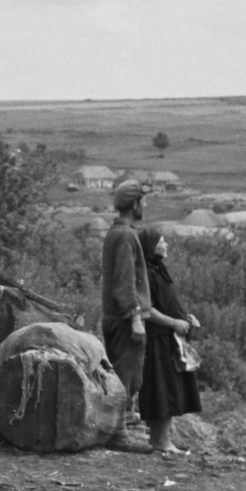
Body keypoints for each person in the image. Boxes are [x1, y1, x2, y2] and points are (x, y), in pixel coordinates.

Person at [137, 227, 203, 455]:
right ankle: (160, 441)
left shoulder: (158, 271)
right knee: (163, 389)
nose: (166, 245)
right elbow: (147, 310)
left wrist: (186, 318)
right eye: (162, 241)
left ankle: (162, 439)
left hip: (169, 337)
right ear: (151, 247)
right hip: (158, 337)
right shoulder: (145, 273)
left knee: (169, 388)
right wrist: (173, 323)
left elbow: (167, 302)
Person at [101, 179, 151, 439]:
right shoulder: (126, 235)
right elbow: (124, 282)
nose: (146, 205)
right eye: (143, 200)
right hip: (124, 319)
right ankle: (119, 434)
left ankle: (127, 425)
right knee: (126, 374)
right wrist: (135, 318)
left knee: (128, 373)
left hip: (114, 317)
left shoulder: (116, 232)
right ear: (134, 204)